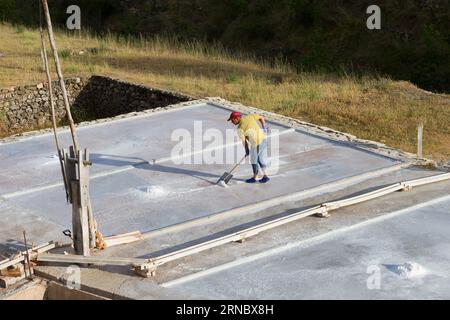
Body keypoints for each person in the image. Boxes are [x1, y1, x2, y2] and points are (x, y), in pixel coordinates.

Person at [228, 111, 270, 183]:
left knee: (254, 161)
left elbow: (244, 142)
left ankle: (255, 177)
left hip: (256, 144)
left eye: (232, 120)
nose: (232, 122)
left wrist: (247, 150)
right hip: (264, 140)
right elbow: (261, 117)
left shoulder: (240, 129)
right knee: (258, 159)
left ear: (237, 118)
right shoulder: (250, 117)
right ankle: (265, 175)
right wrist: (264, 127)